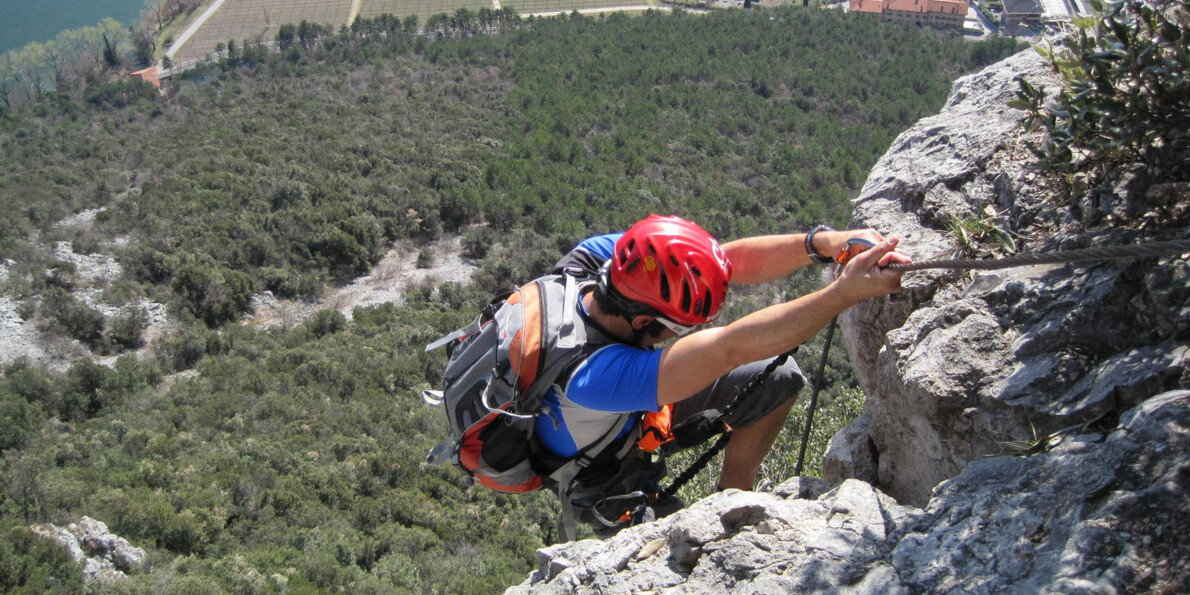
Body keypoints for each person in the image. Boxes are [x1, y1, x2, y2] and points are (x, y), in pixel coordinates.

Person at [536, 214, 910, 533]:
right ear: (641, 321)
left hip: (620, 414)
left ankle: (733, 497)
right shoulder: (593, 377)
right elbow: (731, 346)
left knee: (777, 377)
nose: (682, 335)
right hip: (604, 470)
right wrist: (842, 293)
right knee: (690, 559)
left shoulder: (605, 260)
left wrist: (825, 243)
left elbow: (719, 261)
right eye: (679, 328)